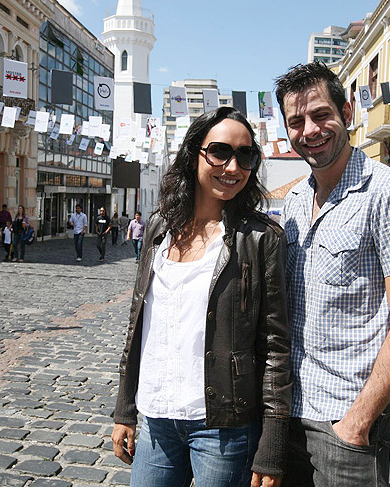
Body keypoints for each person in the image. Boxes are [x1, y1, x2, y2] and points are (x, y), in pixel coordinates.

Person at [111, 106, 291, 487]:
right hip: (158, 421)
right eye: (220, 152)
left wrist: (272, 444)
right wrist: (125, 409)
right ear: (195, 154)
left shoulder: (261, 238)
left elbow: (275, 346)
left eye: (246, 156)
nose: (232, 167)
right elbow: (139, 321)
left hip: (224, 429)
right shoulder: (160, 226)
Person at [275, 62, 390, 487]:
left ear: (346, 113)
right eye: (296, 121)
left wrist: (358, 421)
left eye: (321, 114)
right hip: (286, 412)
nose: (310, 130)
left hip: (343, 422)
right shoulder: (294, 199)